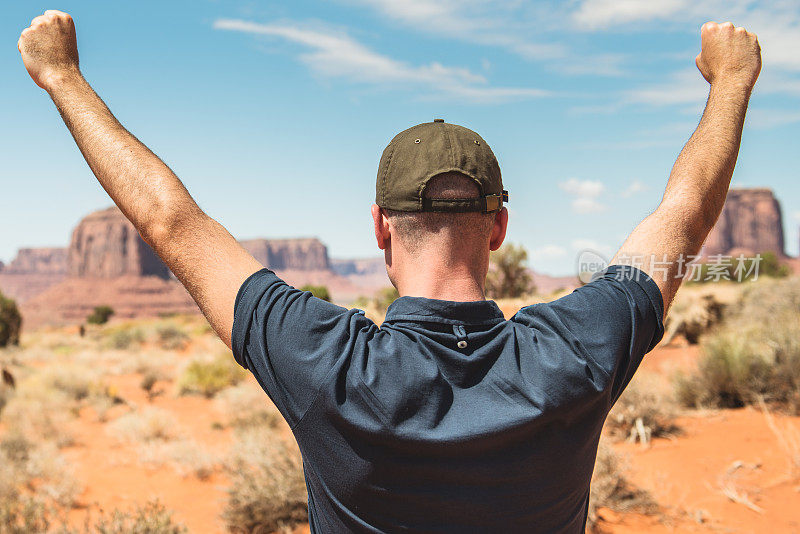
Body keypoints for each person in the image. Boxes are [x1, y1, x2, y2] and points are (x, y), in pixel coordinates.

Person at [17, 11, 761, 533]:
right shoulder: (577, 348)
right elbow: (686, 217)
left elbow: (169, 221)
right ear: (500, 227)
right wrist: (730, 83)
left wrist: (62, 78)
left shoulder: (321, 359)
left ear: (378, 228)